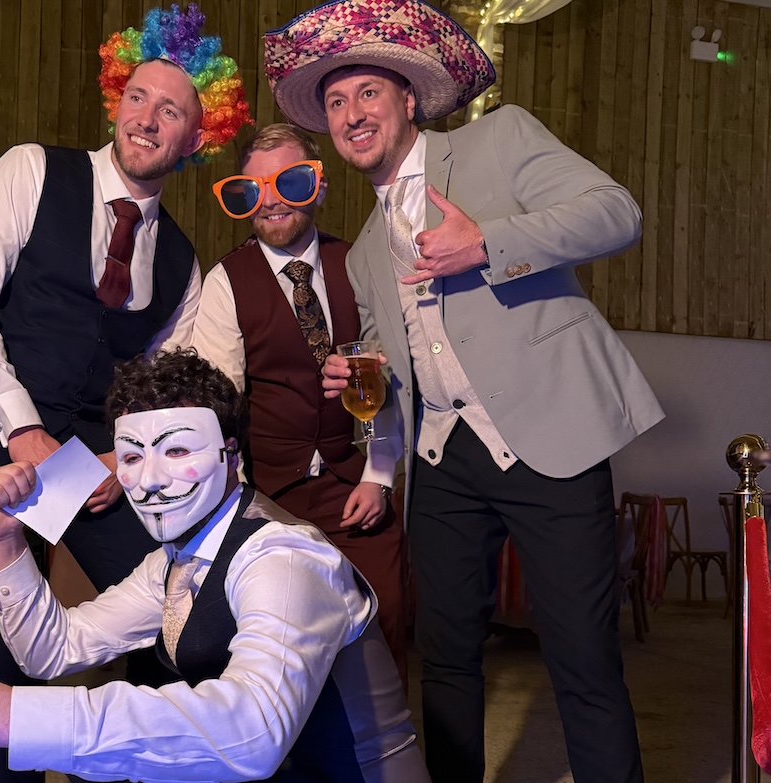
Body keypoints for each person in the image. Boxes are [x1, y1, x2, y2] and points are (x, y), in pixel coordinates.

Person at [263, 1, 665, 782]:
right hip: (444, 460)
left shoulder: (500, 138)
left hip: (551, 440)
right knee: (444, 662)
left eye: (368, 93)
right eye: (337, 103)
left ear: (408, 99)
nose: (352, 114)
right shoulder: (364, 253)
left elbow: (618, 213)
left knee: (583, 660)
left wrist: (487, 243)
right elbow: (393, 357)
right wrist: (362, 373)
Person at [0, 5, 252, 780]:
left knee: (170, 625)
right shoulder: (31, 170)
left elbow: (162, 388)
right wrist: (20, 428)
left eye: (171, 109)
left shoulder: (181, 261)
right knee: (1, 652)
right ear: (116, 99)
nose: (148, 117)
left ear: (195, 139)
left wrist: (121, 454)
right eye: (137, 96)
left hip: (88, 464)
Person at [0, 348, 430, 783]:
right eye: (131, 457)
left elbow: (253, 732)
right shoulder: (175, 560)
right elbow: (53, 650)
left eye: (176, 451)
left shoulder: (284, 557)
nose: (150, 480)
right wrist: (5, 541)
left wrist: (3, 714)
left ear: (231, 455)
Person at [192, 122, 409, 685]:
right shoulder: (226, 282)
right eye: (254, 189)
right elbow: (218, 407)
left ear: (318, 185)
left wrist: (379, 476)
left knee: (386, 639)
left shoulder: (362, 264)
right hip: (270, 503)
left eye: (289, 181)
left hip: (355, 490)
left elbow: (397, 382)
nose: (271, 201)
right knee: (281, 661)